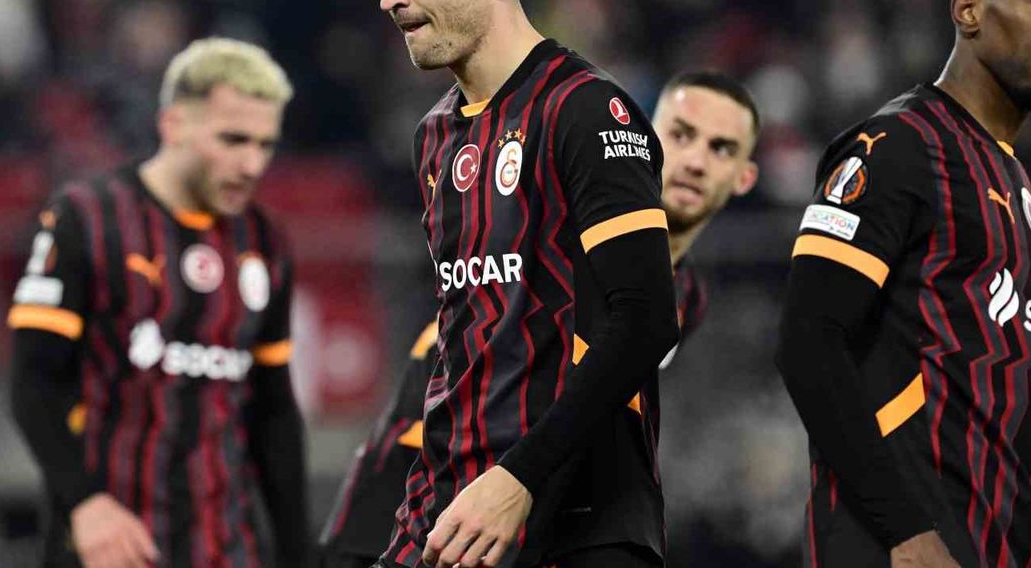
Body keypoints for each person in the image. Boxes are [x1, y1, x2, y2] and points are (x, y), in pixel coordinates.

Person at [316, 71, 760, 568]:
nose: (696, 161)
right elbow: (438, 373)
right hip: (440, 509)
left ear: (744, 177)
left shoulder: (686, 296)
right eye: (680, 135)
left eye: (721, 148)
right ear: (646, 142)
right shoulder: (559, 241)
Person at [775, 0, 1031, 568]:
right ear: (967, 11)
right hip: (903, 548)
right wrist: (906, 530)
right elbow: (808, 342)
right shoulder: (898, 146)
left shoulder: (1015, 182)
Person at [8, 38, 310, 568]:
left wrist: (298, 553)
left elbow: (274, 412)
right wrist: (86, 502)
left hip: (226, 546)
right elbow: (34, 383)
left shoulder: (264, 241)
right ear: (174, 125)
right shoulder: (87, 219)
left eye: (266, 145)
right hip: (110, 546)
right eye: (233, 139)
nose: (252, 163)